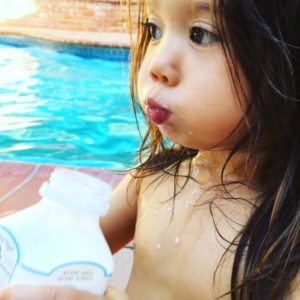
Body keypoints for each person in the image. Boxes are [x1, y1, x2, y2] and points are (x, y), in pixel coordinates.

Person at [1, 0, 300, 299]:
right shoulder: (152, 180)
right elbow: (62, 244)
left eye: (201, 34)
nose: (156, 64)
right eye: (153, 29)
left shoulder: (287, 233)